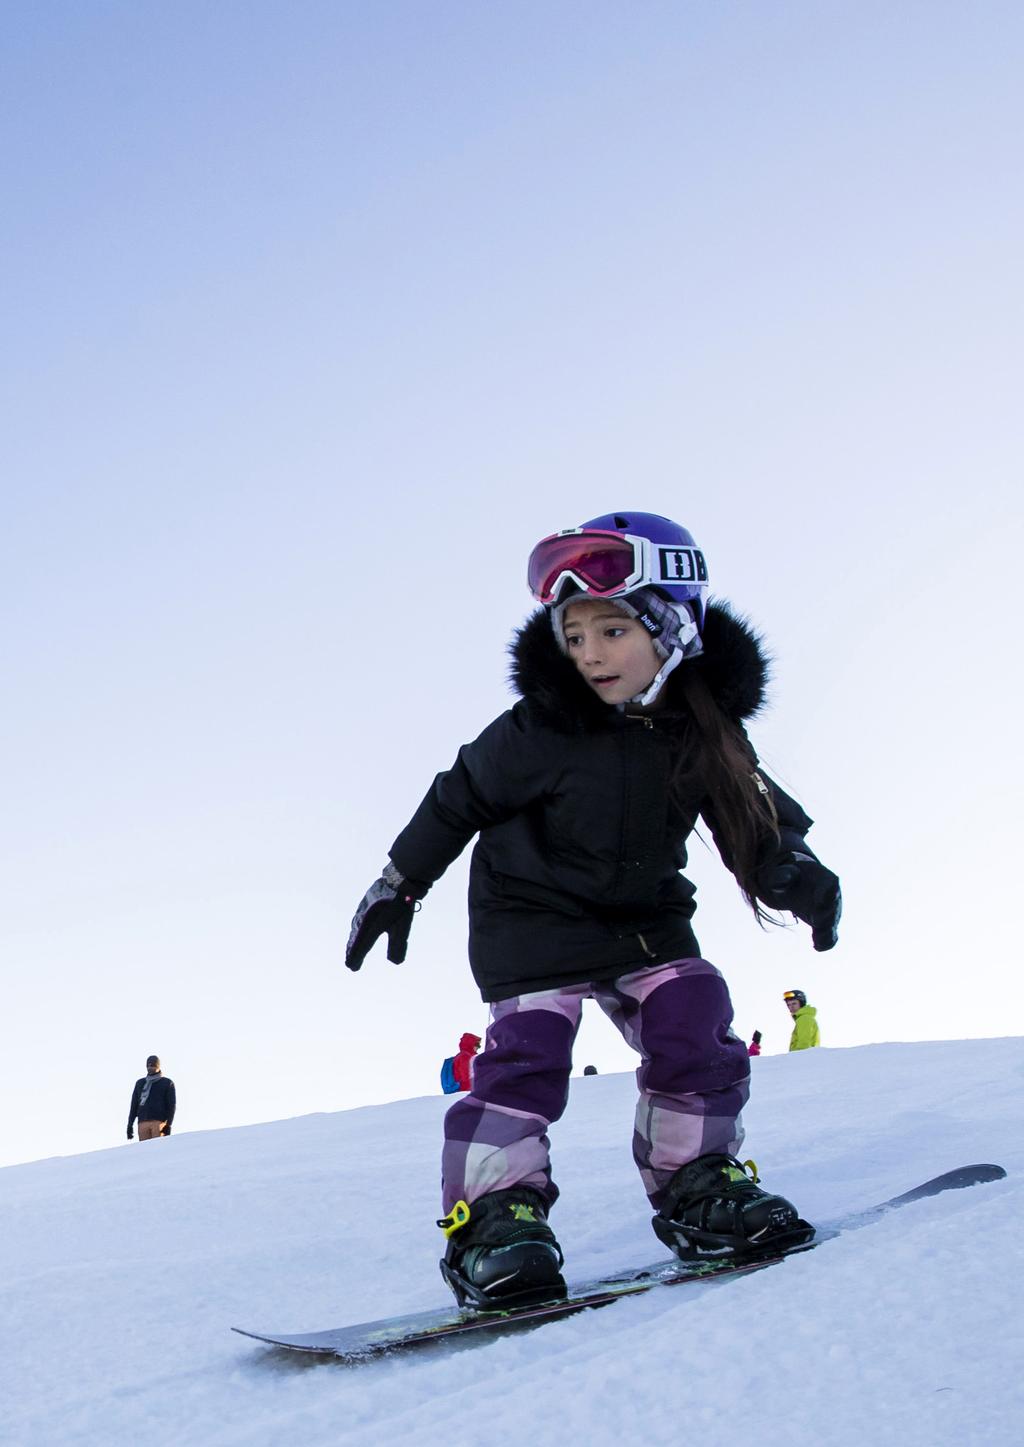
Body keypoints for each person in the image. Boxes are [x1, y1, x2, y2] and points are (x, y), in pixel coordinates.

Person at [345, 511, 841, 1309]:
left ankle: (698, 1184)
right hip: (531, 918)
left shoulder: (703, 727)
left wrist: (796, 870)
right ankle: (495, 1221)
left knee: (693, 1015)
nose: (590, 655)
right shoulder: (542, 724)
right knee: (528, 1057)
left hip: (644, 918)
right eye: (574, 636)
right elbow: (458, 796)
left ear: (674, 625)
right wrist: (399, 881)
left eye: (612, 630)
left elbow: (757, 817)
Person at [127, 1055, 176, 1141]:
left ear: (158, 1066)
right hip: (142, 1122)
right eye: (148, 1066)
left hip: (158, 1122)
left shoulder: (167, 1083)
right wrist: (130, 1125)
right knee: (144, 1151)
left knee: (157, 1149)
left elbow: (172, 1106)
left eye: (153, 1066)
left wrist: (168, 1125)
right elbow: (134, 1105)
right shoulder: (140, 1083)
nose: (150, 1068)